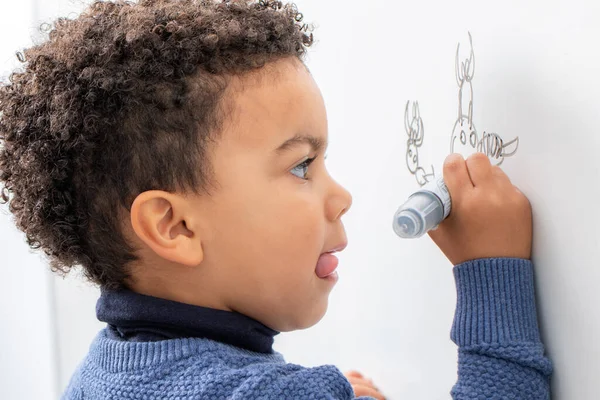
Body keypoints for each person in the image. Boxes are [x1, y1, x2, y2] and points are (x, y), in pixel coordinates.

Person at [0, 1, 552, 398]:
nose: (341, 196)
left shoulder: (99, 376)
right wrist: (491, 273)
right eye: (301, 166)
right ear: (175, 227)